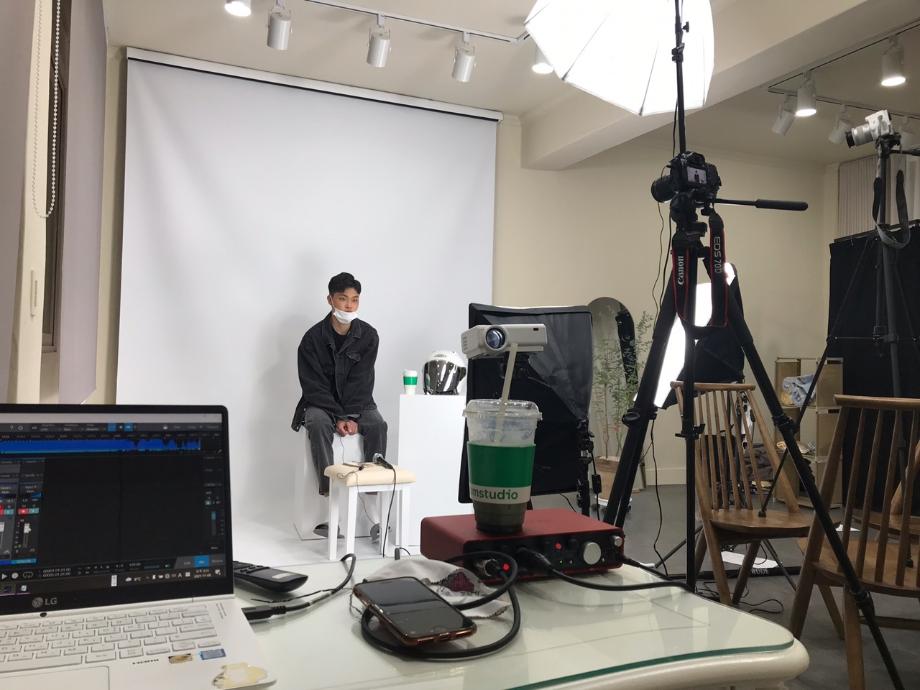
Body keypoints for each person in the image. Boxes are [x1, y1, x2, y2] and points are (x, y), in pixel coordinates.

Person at [292, 272, 388, 500]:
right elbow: (313, 385)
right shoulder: (312, 339)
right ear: (330, 300)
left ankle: (372, 488)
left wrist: (351, 416)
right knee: (317, 423)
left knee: (378, 425)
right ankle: (329, 489)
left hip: (359, 402)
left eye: (355, 299)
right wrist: (338, 416)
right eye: (343, 299)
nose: (349, 305)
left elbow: (362, 380)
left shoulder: (369, 336)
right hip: (321, 402)